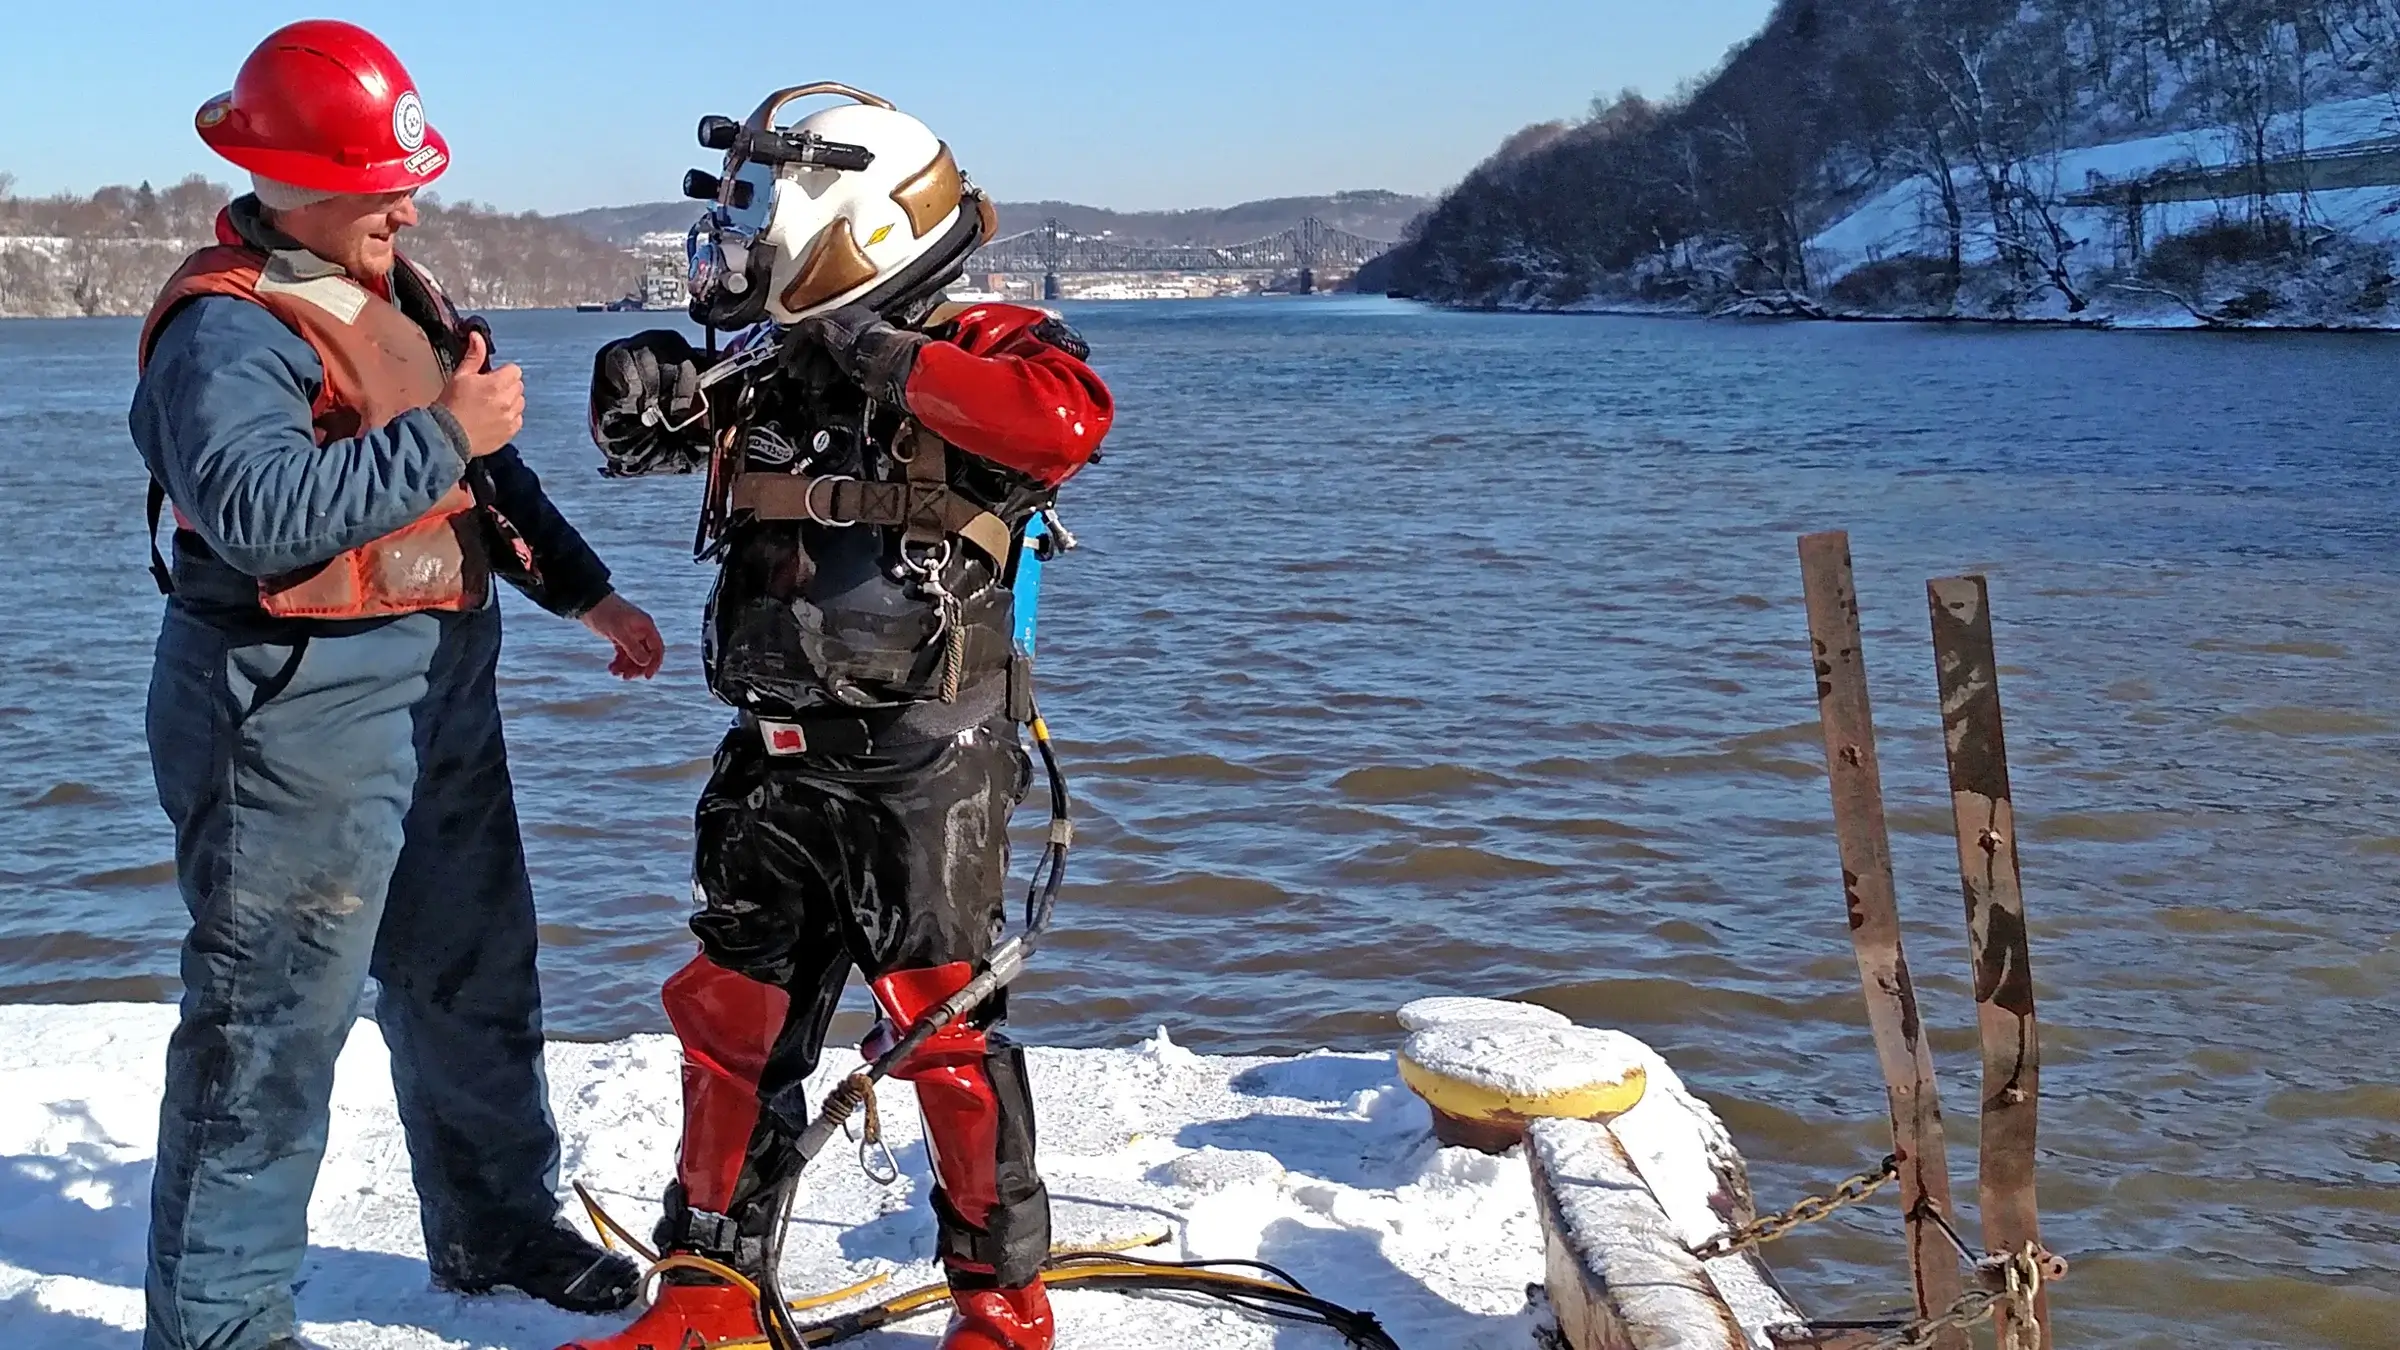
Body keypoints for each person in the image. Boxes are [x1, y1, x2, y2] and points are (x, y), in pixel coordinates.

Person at [128, 21, 664, 1350]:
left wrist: (587, 590)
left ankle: (495, 1222)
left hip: (439, 687)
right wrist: (446, 432)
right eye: (384, 181)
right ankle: (219, 1323)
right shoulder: (223, 329)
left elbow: (483, 479)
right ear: (292, 177)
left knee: (478, 971)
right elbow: (255, 512)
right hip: (292, 708)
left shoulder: (396, 287)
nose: (408, 202)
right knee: (269, 1024)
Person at [567, 84, 1112, 1350]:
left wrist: (870, 348)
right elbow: (636, 436)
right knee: (731, 1014)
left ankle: (1002, 1308)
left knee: (941, 1028)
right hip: (774, 749)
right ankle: (709, 1294)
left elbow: (1064, 424)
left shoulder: (995, 344)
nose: (740, 256)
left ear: (850, 226)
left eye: (763, 231)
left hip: (926, 755)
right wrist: (640, 379)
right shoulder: (765, 364)